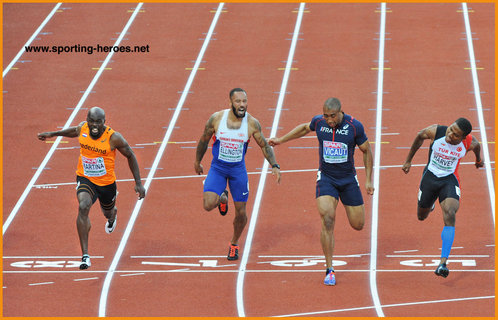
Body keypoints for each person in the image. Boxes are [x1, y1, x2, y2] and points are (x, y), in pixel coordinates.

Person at [269, 97, 374, 286]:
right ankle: (329, 269)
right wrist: (281, 140)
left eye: (332, 116)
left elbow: (366, 150)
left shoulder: (354, 126)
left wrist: (368, 179)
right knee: (327, 218)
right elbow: (304, 128)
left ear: (340, 112)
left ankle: (344, 207)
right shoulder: (319, 122)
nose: (329, 120)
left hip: (348, 180)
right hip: (327, 179)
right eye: (326, 116)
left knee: (358, 224)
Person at [38, 107, 146, 269]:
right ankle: (85, 256)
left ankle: (112, 216)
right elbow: (73, 131)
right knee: (83, 206)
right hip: (86, 178)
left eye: (98, 122)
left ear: (104, 122)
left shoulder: (114, 138)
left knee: (107, 211)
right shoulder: (83, 128)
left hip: (106, 183)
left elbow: (130, 155)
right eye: (91, 121)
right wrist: (53, 134)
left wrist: (138, 182)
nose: (94, 125)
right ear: (87, 120)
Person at [194, 88, 281, 261]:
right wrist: (197, 161)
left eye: (244, 101)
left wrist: (274, 164)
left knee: (241, 213)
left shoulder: (251, 123)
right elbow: (204, 140)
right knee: (208, 204)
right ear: (230, 102)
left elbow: (264, 145)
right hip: (218, 168)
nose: (242, 105)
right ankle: (222, 197)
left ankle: (234, 243)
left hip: (237, 171)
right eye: (238, 101)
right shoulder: (217, 119)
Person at [402, 118, 483, 278]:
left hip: (449, 179)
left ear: (462, 138)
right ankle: (430, 204)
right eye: (451, 129)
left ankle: (442, 263)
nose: (450, 134)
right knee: (421, 216)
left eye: (455, 135)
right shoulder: (436, 131)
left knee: (450, 213)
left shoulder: (469, 143)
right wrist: (408, 161)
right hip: (430, 177)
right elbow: (419, 136)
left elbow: (477, 146)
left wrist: (478, 160)